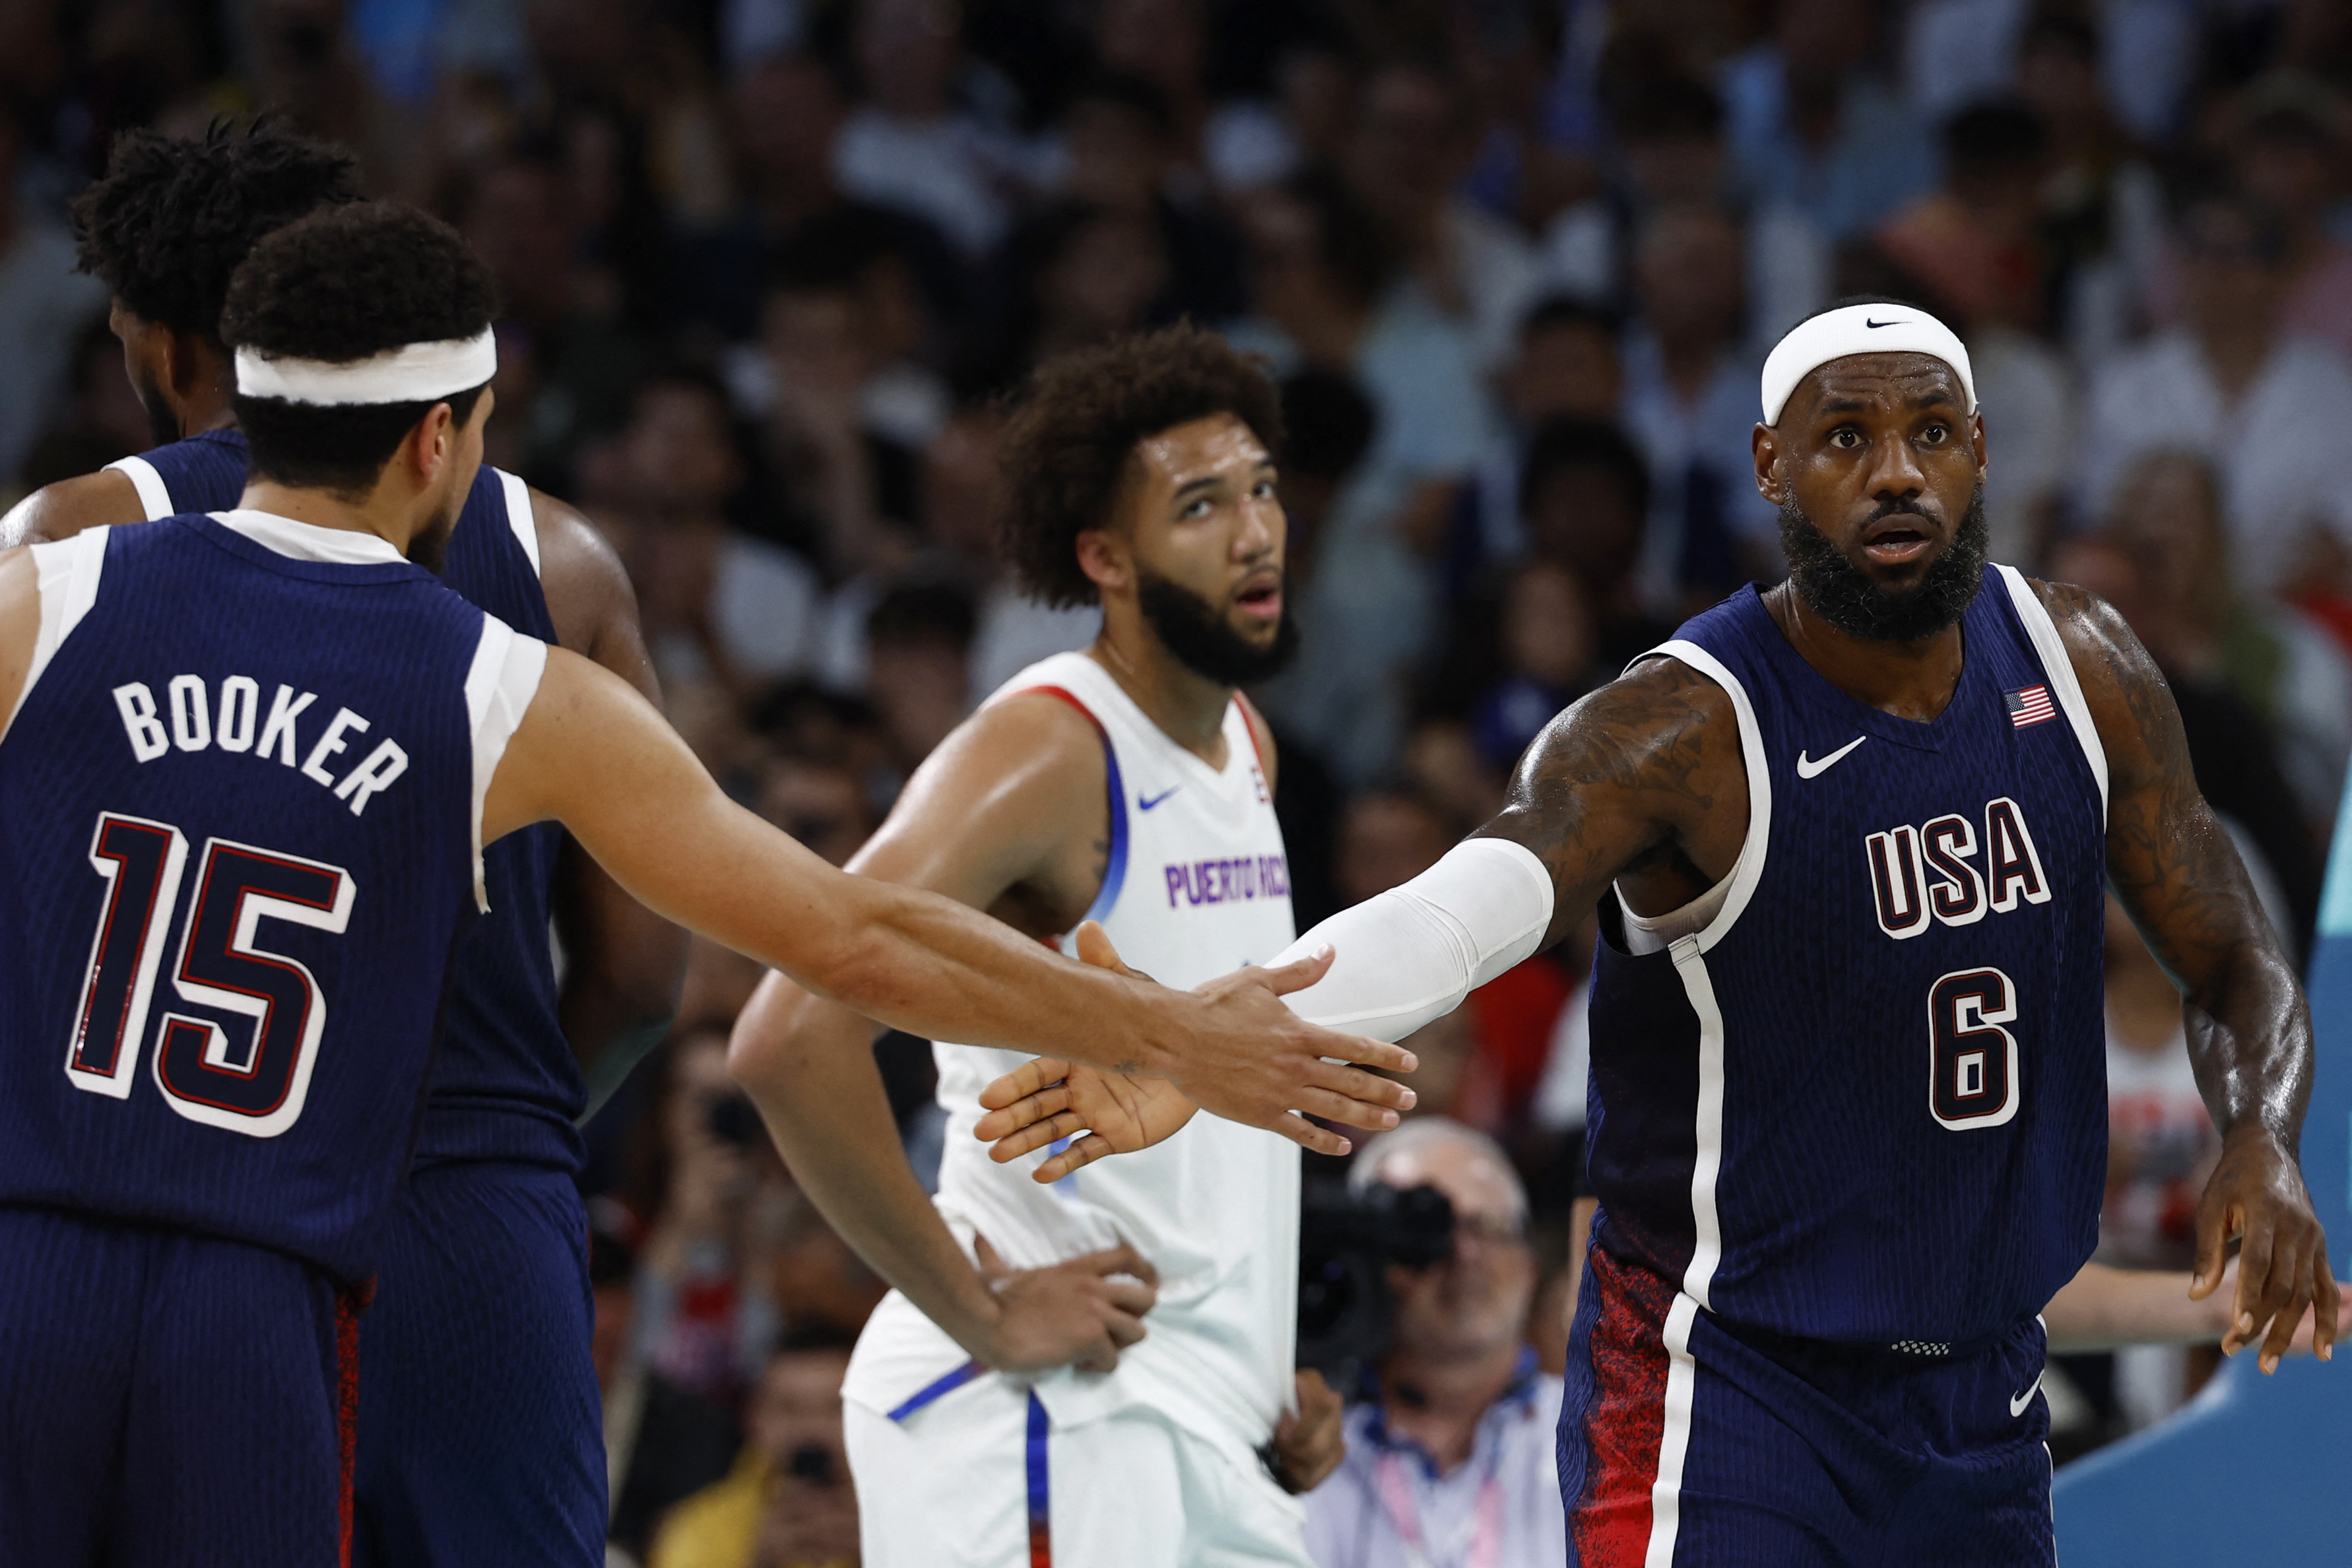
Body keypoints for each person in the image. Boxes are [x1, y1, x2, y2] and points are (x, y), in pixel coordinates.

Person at [0, 200, 1413, 1566]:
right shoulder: (499, 685)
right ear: (441, 439)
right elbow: (850, 936)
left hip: (29, 1261)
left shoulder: (47, 595)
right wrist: (1171, 1032)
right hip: (257, 1309)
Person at [979, 297, 2339, 1563]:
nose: (1896, 473)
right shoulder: (1683, 726)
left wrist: (2261, 1140)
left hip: (1984, 1396)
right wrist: (1195, 1040)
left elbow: (2231, 952)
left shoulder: (2078, 664)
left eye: (1930, 431)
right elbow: (1460, 916)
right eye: (1845, 439)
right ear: (1766, 466)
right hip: (1731, 1388)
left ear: (1982, 451)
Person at [0, 121, 692, 1568]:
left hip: (170, 1220)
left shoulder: (72, 549)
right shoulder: (564, 562)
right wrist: (510, 1132)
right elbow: (641, 972)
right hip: (470, 1198)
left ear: (172, 341)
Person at [726, 324, 1354, 1567]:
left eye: (1261, 489)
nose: (1254, 532)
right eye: (1198, 506)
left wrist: (1254, 1354)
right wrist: (977, 1316)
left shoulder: (1241, 742)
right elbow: (785, 1037)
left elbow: (1213, 1092)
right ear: (1103, 558)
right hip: (1040, 1408)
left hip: (1199, 1416)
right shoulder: (1046, 751)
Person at [1303, 1119, 1565, 1568]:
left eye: (1489, 1226)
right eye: (1430, 1231)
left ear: (1530, 1266)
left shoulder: (1596, 1437)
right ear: (1366, 1257)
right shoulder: (1302, 1432)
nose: (1465, 1253)